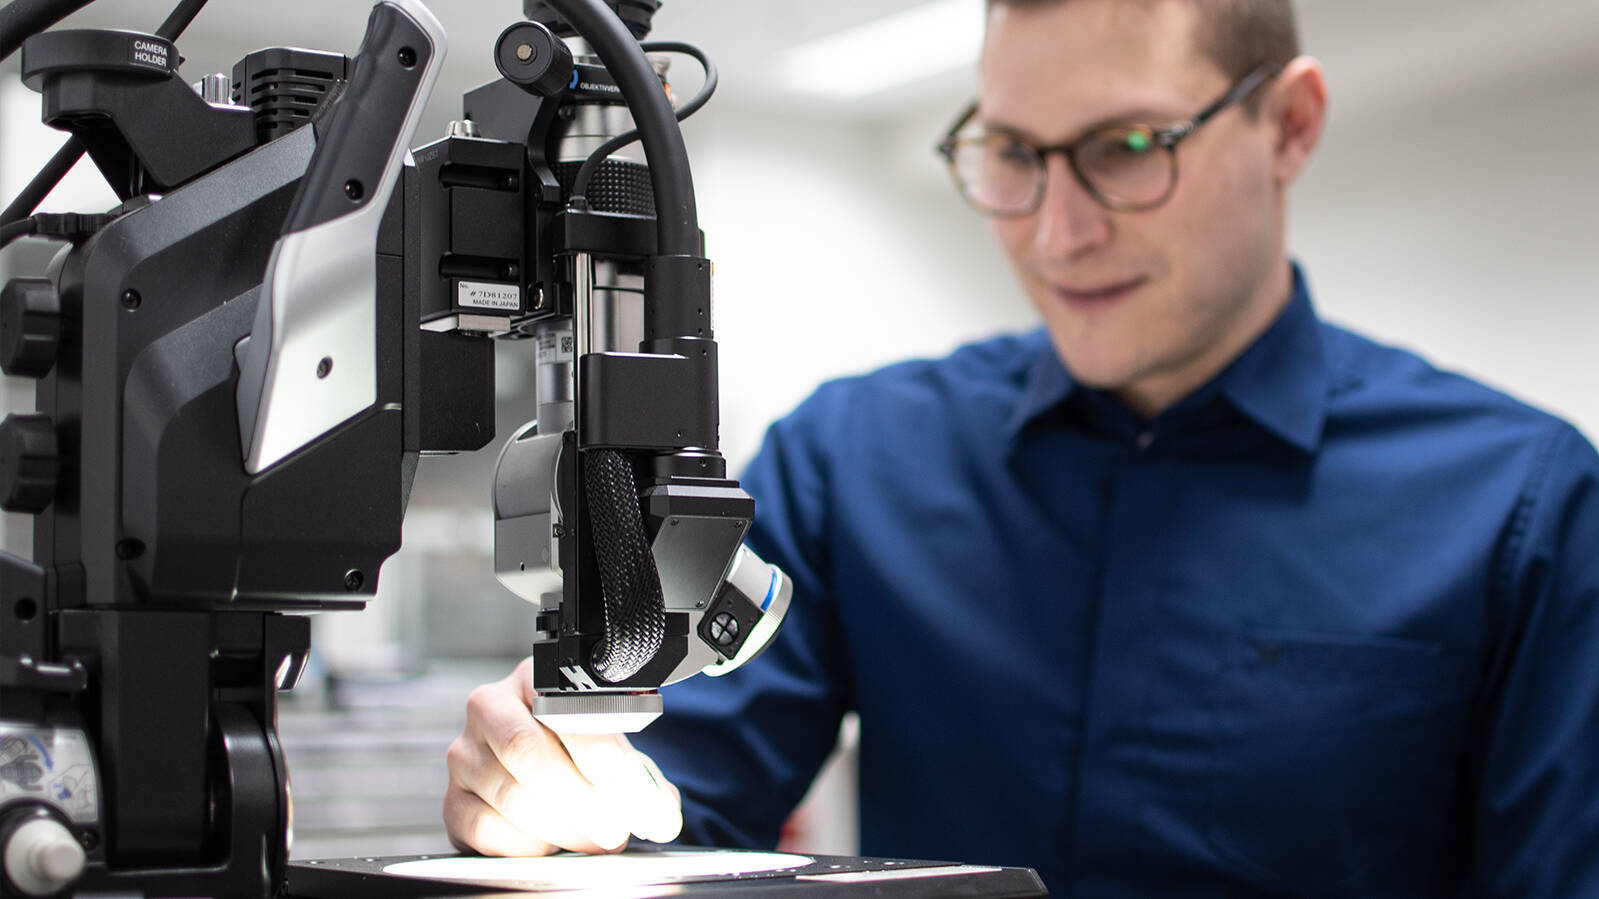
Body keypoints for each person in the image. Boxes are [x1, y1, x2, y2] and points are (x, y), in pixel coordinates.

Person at [443, 0, 1599, 893]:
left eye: (1130, 146)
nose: (1058, 232)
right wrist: (548, 799)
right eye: (1014, 151)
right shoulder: (856, 458)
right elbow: (680, 813)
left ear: (1289, 125)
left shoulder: (1520, 506)